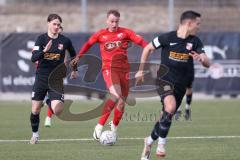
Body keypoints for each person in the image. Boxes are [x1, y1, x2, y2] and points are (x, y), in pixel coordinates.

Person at [135, 10, 210, 159]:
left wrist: (202, 59)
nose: (199, 27)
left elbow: (208, 62)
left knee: (166, 115)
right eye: (198, 24)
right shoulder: (167, 37)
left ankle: (149, 141)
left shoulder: (195, 41)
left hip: (180, 86)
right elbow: (147, 48)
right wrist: (140, 71)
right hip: (164, 80)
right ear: (189, 23)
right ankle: (161, 146)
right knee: (171, 107)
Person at [71, 9, 147, 141]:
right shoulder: (101, 34)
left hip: (124, 71)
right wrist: (78, 57)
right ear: (107, 21)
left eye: (116, 21)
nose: (114, 24)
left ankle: (114, 127)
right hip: (109, 69)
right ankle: (99, 127)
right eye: (112, 21)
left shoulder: (125, 32)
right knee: (115, 95)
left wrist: (150, 48)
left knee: (122, 103)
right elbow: (88, 44)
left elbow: (143, 44)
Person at [30, 13, 78, 144]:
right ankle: (35, 135)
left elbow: (74, 55)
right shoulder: (41, 39)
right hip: (41, 78)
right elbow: (33, 58)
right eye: (54, 24)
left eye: (58, 25)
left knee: (58, 110)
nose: (56, 27)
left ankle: (49, 100)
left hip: (56, 79)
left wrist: (75, 69)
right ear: (48, 24)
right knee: (35, 110)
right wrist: (44, 51)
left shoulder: (65, 41)